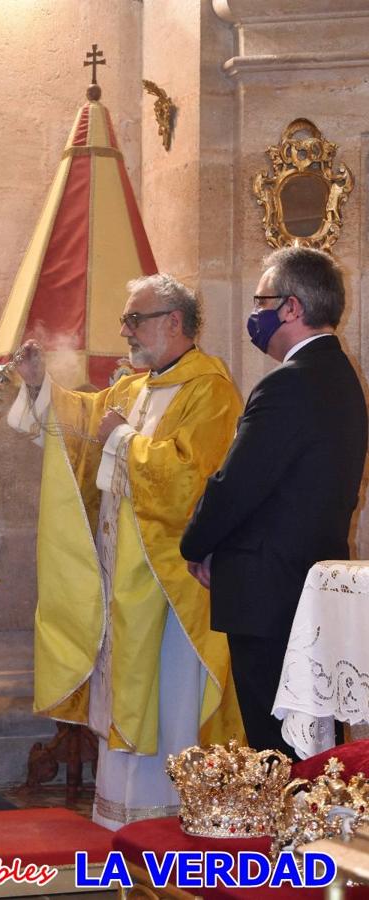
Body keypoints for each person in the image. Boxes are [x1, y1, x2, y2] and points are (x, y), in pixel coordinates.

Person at [8, 273, 244, 830]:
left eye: (135, 319)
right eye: (125, 319)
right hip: (123, 580)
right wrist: (41, 385)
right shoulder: (133, 388)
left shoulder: (210, 390)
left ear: (174, 322)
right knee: (127, 694)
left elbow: (193, 479)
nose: (125, 331)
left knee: (170, 701)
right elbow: (82, 426)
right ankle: (124, 826)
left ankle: (176, 823)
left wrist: (120, 439)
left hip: (171, 587)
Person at [181, 246, 368, 758]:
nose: (255, 313)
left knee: (277, 747)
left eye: (263, 300)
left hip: (268, 590)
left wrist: (197, 544)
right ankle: (322, 836)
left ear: (292, 308)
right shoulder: (344, 379)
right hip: (311, 583)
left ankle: (288, 840)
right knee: (318, 747)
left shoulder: (288, 383)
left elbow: (236, 484)